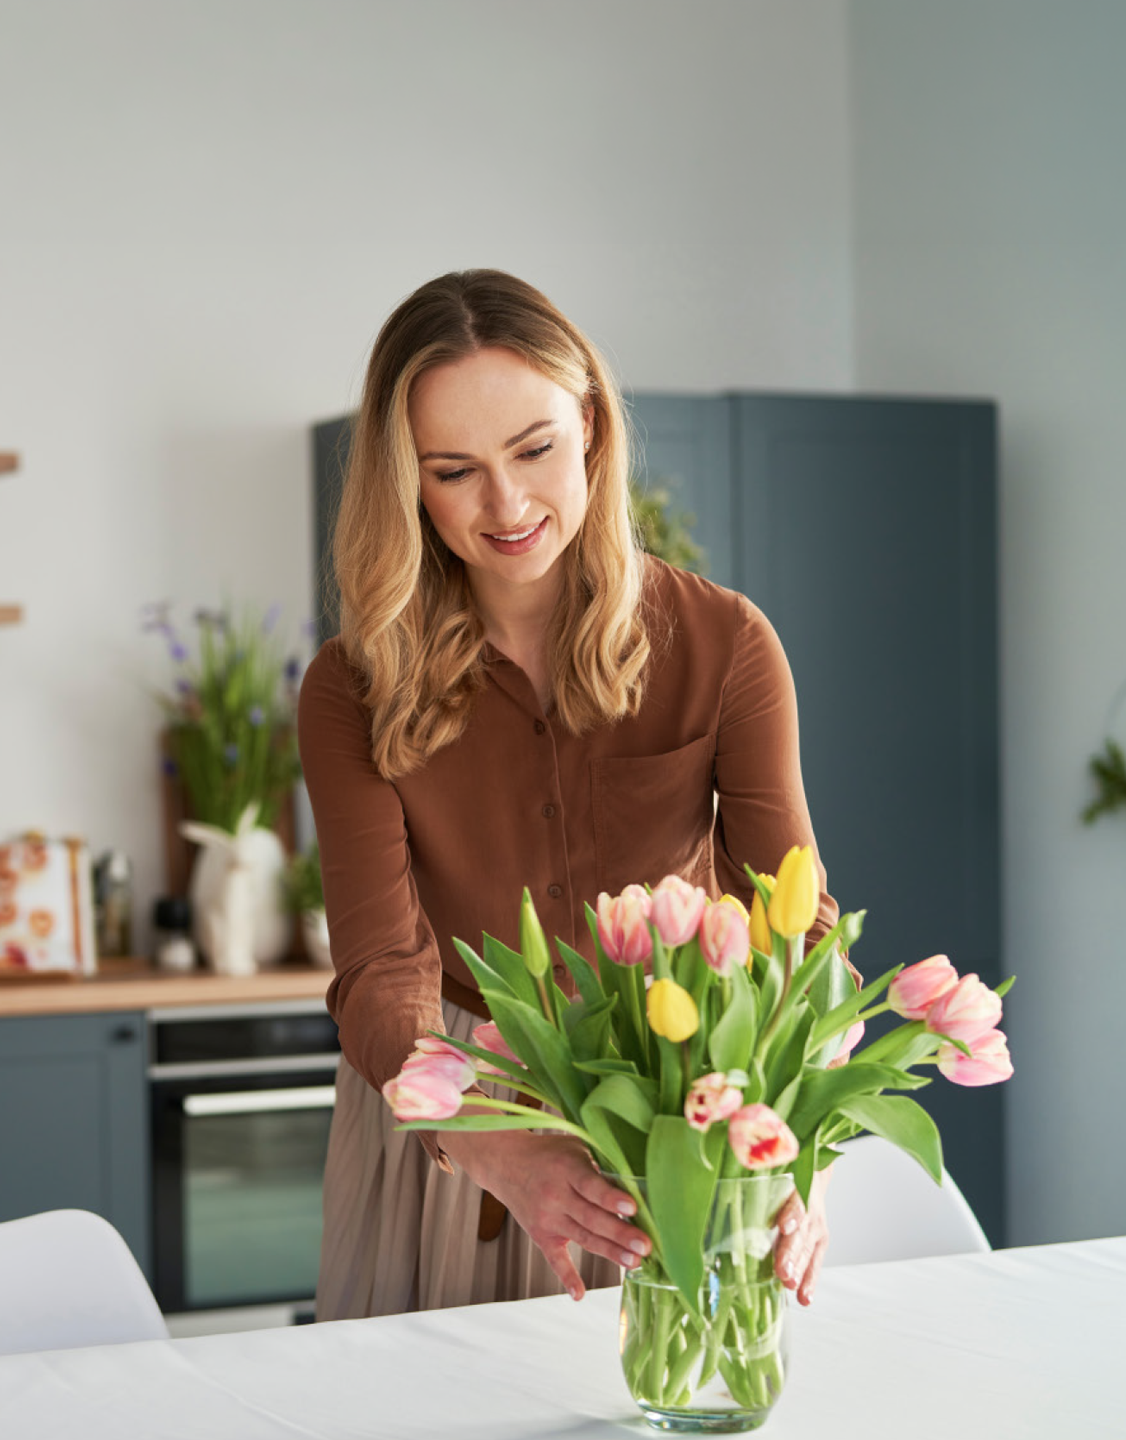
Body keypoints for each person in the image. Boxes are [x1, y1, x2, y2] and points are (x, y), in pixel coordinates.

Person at [301, 269, 841, 1322]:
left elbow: (792, 926)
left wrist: (795, 1144)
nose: (505, 506)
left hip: (676, 1099)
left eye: (535, 450)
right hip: (451, 1118)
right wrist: (493, 1143)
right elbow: (379, 966)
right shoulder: (351, 685)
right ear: (406, 479)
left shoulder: (726, 646)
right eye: (453, 470)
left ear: (591, 424)